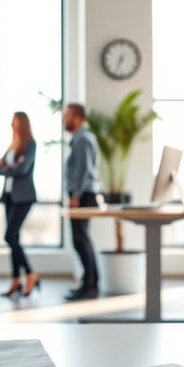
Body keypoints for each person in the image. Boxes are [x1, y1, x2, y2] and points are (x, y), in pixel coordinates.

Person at [0, 111, 40, 298]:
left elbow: (22, 170)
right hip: (9, 196)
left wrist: (6, 168)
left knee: (9, 236)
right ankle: (15, 279)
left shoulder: (30, 144)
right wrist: (6, 168)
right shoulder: (12, 146)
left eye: (15, 121)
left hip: (24, 197)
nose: (12, 124)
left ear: (22, 124)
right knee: (14, 239)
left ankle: (30, 274)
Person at [63, 103, 100, 301]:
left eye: (67, 115)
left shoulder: (81, 139)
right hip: (83, 194)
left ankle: (90, 285)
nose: (64, 119)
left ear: (77, 117)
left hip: (83, 196)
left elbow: (84, 170)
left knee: (81, 240)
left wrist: (75, 195)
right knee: (82, 239)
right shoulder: (83, 138)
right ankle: (89, 283)